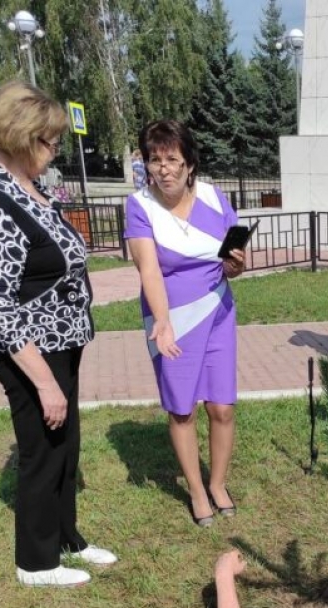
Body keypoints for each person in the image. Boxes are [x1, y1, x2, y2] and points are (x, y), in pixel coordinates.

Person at [0, 80, 117, 588]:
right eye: (49, 142)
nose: (54, 151)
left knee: (65, 445)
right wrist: (45, 384)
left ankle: (66, 537)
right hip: (26, 348)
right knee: (42, 449)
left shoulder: (30, 185)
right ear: (23, 138)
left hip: (60, 338)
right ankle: (35, 562)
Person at [124, 120, 246, 526]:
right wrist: (162, 320)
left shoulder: (214, 197)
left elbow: (233, 264)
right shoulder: (139, 205)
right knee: (182, 410)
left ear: (189, 163)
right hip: (170, 321)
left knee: (222, 406)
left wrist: (236, 265)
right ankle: (196, 490)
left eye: (173, 159)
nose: (164, 168)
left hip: (218, 313)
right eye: (154, 160)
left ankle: (217, 483)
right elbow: (149, 270)